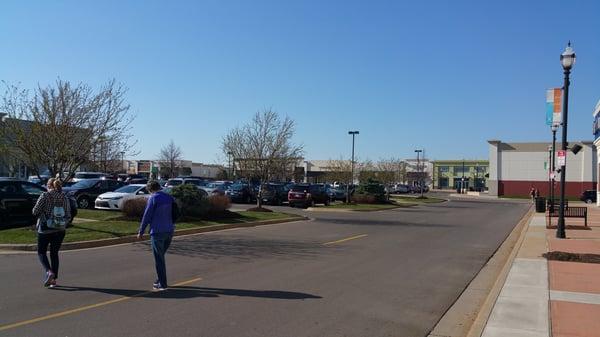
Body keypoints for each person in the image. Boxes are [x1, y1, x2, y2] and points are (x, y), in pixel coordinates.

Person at [137, 180, 175, 291]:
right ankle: (159, 280)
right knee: (161, 257)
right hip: (169, 231)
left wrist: (141, 231)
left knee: (159, 259)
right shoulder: (169, 197)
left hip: (157, 232)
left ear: (150, 189)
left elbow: (147, 216)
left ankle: (162, 284)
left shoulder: (153, 198)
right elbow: (175, 213)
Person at [33, 178, 71, 288]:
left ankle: (49, 272)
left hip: (45, 229)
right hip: (60, 230)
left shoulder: (45, 196)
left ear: (48, 185)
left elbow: (35, 211)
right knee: (54, 254)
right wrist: (61, 223)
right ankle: (53, 280)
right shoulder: (65, 197)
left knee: (41, 252)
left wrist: (43, 216)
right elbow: (68, 214)